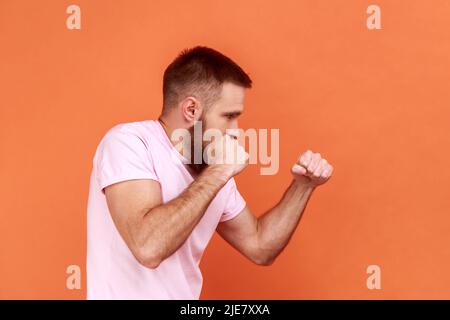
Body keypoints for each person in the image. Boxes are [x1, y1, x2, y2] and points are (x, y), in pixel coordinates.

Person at [86, 46, 334, 299]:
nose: (236, 130)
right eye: (229, 116)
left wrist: (303, 186)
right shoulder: (128, 142)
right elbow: (148, 247)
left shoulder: (207, 166)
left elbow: (260, 246)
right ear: (191, 110)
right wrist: (219, 171)